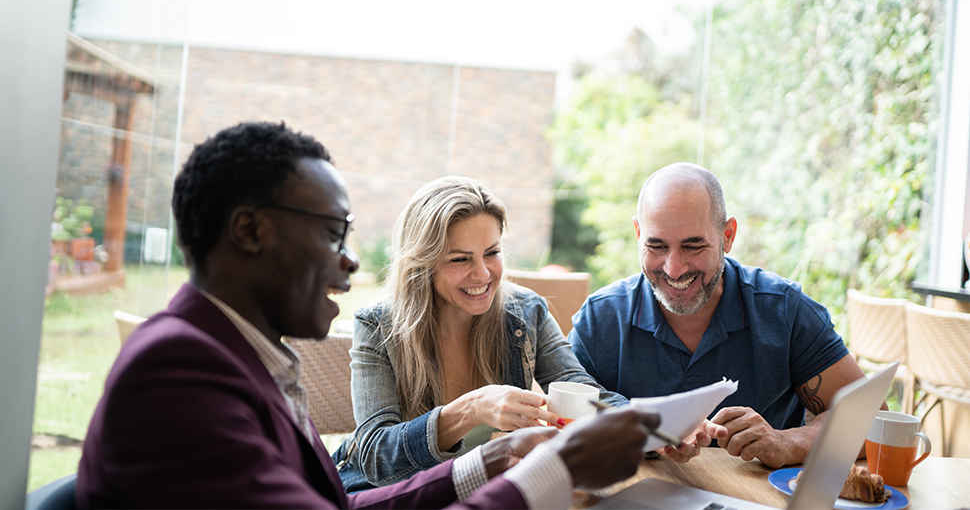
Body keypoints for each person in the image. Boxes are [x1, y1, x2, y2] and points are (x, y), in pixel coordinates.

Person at [75, 121, 659, 510]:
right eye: (333, 233)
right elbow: (368, 465)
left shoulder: (240, 358)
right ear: (251, 231)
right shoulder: (177, 373)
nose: (351, 260)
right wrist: (547, 474)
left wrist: (492, 460)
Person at [568, 162, 876, 469]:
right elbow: (563, 428)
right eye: (656, 245)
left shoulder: (784, 311)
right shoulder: (599, 321)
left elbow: (872, 419)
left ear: (728, 235)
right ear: (638, 234)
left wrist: (788, 442)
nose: (674, 268)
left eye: (693, 246)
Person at [335, 176, 626, 492]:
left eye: (492, 253)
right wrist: (472, 408)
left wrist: (659, 427)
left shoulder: (527, 311)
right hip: (398, 494)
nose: (483, 274)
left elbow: (581, 391)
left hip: (485, 491)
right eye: (461, 259)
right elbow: (377, 459)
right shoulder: (378, 324)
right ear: (422, 263)